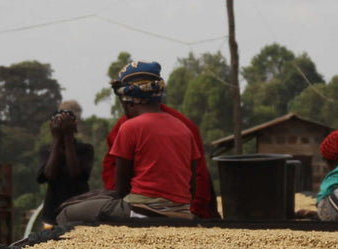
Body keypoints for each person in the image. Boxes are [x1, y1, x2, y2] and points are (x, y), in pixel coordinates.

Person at [57, 61, 218, 223]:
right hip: (182, 212)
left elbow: (121, 190)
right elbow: (193, 185)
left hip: (141, 211)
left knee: (66, 212)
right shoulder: (184, 129)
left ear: (129, 101)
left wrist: (92, 197)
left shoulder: (129, 127)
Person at [34, 100, 95, 228]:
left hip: (79, 210)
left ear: (75, 124)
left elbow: (75, 173)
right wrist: (57, 139)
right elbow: (49, 174)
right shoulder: (47, 150)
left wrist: (68, 137)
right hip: (52, 212)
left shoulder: (86, 149)